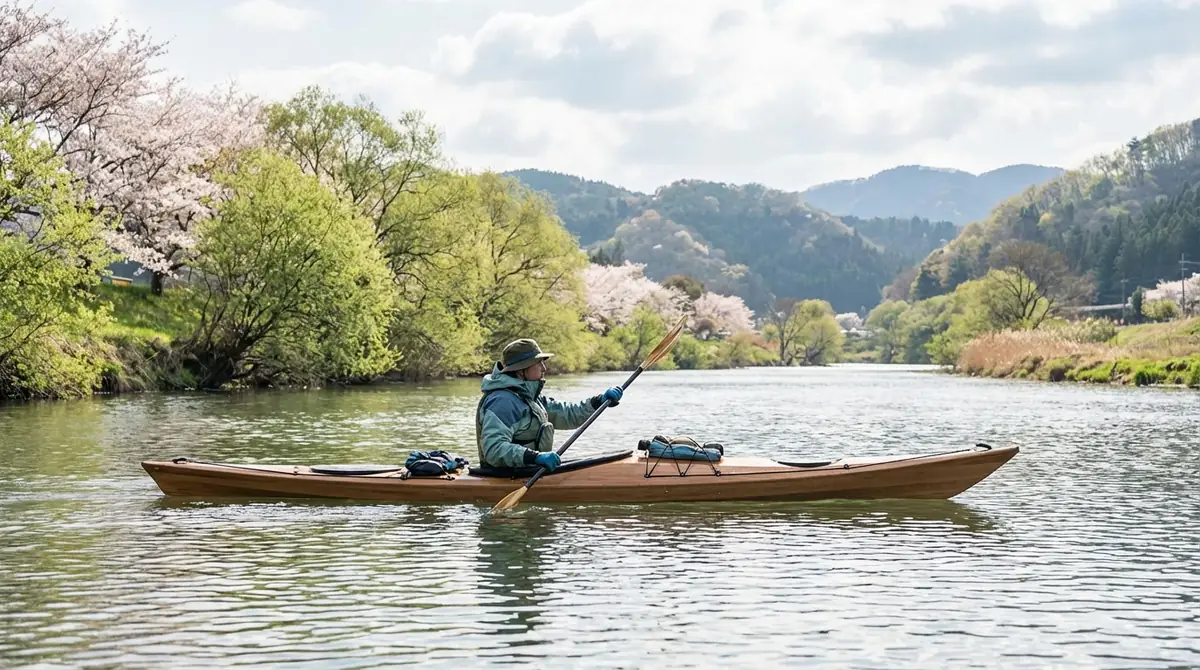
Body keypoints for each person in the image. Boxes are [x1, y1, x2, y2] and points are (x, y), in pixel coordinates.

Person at [475, 338, 623, 472]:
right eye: (538, 363)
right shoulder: (503, 402)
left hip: (530, 470)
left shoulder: (530, 397)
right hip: (506, 476)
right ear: (521, 370)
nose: (544, 368)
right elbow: (494, 449)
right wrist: (536, 457)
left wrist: (599, 401)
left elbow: (569, 415)